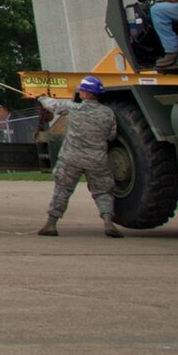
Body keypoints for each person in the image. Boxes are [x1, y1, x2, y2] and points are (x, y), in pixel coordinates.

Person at [35, 75, 124, 238]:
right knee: (103, 192)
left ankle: (51, 224)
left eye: (82, 90)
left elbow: (53, 105)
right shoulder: (108, 113)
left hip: (71, 158)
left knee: (62, 190)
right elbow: (111, 136)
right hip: (97, 160)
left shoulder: (74, 109)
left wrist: (41, 98)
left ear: (86, 94)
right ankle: (108, 222)